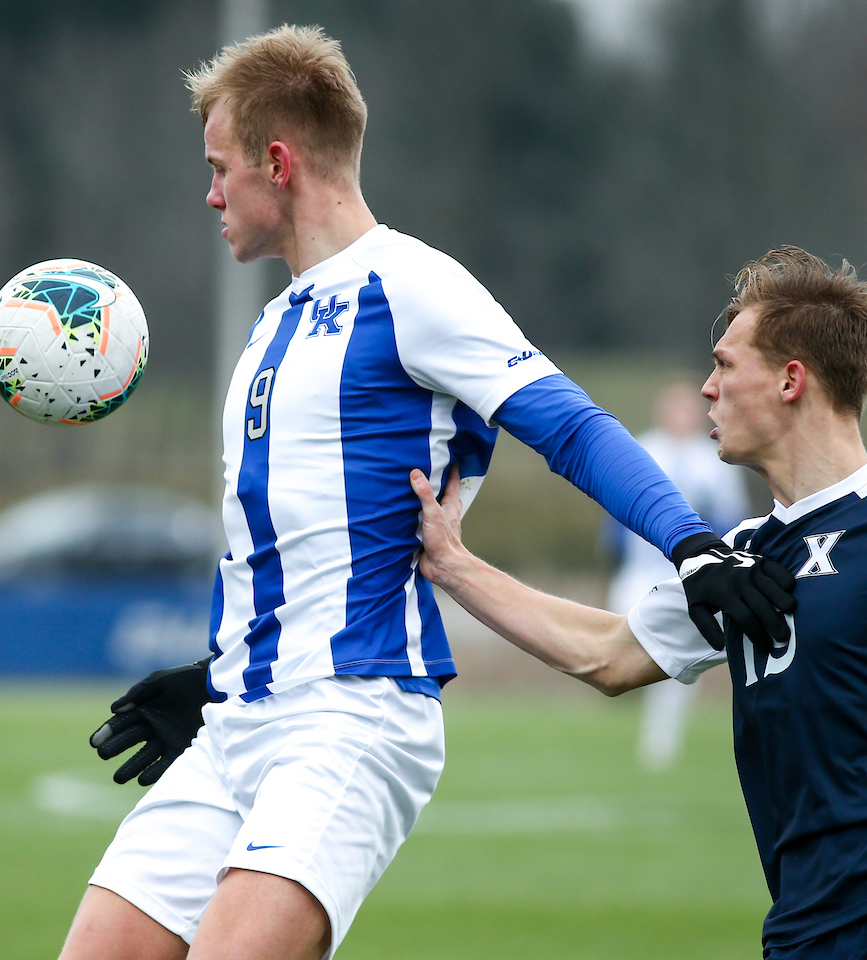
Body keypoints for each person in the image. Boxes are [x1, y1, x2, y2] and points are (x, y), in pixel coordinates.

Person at [71, 25, 795, 960]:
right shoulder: (267, 333)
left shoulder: (411, 286)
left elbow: (569, 426)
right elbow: (277, 538)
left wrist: (692, 545)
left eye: (220, 167)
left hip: (350, 714)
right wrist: (214, 680)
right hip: (240, 722)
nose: (210, 191)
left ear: (278, 162)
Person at [408, 246, 867, 959]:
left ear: (790, 380)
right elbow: (608, 655)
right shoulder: (741, 557)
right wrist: (456, 568)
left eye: (724, 364)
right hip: (806, 932)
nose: (709, 389)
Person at [602, 381, 748, 769]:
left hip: (688, 577)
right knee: (615, 644)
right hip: (638, 572)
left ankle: (660, 743)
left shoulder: (713, 458)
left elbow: (730, 515)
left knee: (675, 657)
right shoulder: (643, 447)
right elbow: (616, 509)